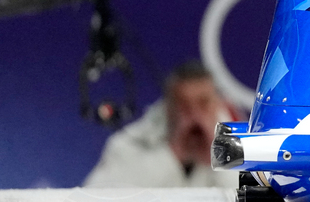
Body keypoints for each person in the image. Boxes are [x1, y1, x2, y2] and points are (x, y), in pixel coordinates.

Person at [83, 61, 240, 188]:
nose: (195, 115)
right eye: (184, 105)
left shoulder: (242, 143)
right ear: (168, 108)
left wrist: (217, 156)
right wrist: (173, 155)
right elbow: (96, 198)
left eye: (203, 103)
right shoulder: (130, 143)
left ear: (218, 105)